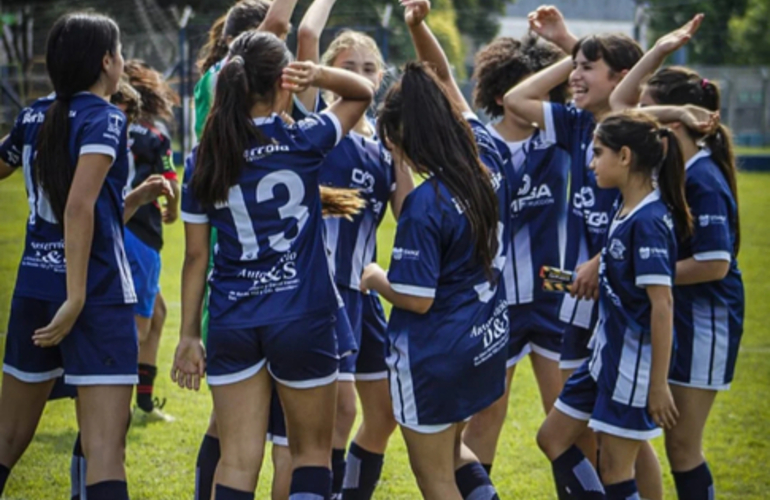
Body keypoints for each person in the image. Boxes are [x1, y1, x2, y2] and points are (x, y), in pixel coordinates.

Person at [172, 29, 374, 500]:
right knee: (310, 455)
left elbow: (196, 256)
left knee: (238, 461)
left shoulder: (203, 155)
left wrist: (187, 335)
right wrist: (319, 72)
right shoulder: (302, 137)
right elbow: (362, 93)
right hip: (301, 315)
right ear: (286, 81)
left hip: (232, 318)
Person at [0, 12, 166, 500]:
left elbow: (76, 202)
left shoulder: (34, 114)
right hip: (92, 295)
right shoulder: (105, 116)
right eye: (118, 53)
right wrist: (75, 297)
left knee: (7, 440)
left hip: (33, 287)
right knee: (105, 450)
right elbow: (76, 205)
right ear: (107, 61)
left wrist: (131, 199)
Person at [503, 6, 665, 496]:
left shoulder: (634, 138)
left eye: (586, 69)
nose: (574, 77)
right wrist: (571, 51)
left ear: (620, 79)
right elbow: (516, 98)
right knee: (577, 432)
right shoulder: (576, 126)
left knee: (622, 439)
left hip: (617, 304)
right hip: (575, 301)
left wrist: (600, 260)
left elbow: (639, 217)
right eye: (575, 67)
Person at [359, 1, 509, 498]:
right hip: (482, 339)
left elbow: (416, 296)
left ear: (404, 139)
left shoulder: (427, 204)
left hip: (433, 356)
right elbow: (443, 79)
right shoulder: (488, 156)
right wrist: (416, 27)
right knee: (453, 450)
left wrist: (376, 276)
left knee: (435, 477)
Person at [610, 16, 745, 499]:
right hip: (681, 316)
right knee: (667, 440)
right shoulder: (673, 163)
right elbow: (619, 106)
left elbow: (714, 264)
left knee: (684, 446)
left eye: (654, 111)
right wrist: (661, 49)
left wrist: (642, 277)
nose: (641, 118)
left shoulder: (703, 178)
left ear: (676, 119)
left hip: (706, 320)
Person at [537, 109, 690, 500]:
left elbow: (662, 305)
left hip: (632, 368)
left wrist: (658, 386)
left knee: (615, 468)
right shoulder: (623, 210)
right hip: (603, 356)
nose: (591, 164)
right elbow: (623, 285)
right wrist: (573, 280)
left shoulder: (651, 220)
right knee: (551, 438)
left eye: (598, 153)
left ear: (625, 156)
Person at [294, 6, 415, 497]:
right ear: (325, 76)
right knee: (338, 413)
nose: (360, 77)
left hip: (363, 296)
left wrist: (400, 151)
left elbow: (409, 215)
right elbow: (305, 32)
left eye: (369, 70)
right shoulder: (313, 128)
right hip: (320, 292)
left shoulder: (382, 148)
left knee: (383, 414)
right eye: (348, 67)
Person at [461, 33, 570, 476]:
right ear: (504, 92)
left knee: (566, 415)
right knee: (486, 416)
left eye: (548, 87)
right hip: (497, 303)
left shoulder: (564, 139)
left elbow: (611, 96)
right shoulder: (481, 144)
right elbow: (448, 89)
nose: (541, 98)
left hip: (554, 298)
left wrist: (568, 45)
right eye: (532, 86)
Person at [121, 59, 181, 420]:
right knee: (137, 328)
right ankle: (114, 407)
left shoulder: (101, 127)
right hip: (141, 236)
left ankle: (143, 401)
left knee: (157, 313)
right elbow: (170, 182)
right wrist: (173, 207)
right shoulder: (154, 136)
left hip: (111, 230)